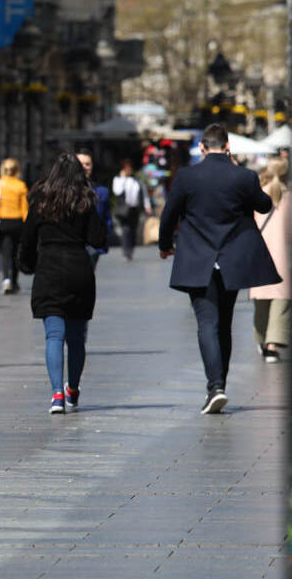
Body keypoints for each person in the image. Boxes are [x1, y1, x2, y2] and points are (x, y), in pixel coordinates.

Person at [158, 124, 281, 414]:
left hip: (197, 259)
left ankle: (215, 387)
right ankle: (219, 385)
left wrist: (165, 245)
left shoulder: (187, 177)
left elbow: (169, 214)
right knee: (224, 323)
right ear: (228, 146)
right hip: (233, 260)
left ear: (202, 147)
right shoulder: (244, 176)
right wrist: (242, 175)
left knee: (206, 323)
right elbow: (264, 206)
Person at [17, 152, 107, 414]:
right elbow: (99, 237)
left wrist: (28, 264)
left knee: (54, 335)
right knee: (77, 338)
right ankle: (73, 389)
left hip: (49, 271)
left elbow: (27, 237)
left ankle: (57, 395)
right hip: (79, 270)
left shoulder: (41, 201)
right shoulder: (85, 200)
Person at [250, 159, 290, 364]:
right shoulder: (289, 197)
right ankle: (273, 345)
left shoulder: (258, 195)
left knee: (262, 301)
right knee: (281, 302)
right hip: (284, 257)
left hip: (260, 256)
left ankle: (263, 341)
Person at [0, 158, 29, 294]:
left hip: (3, 221)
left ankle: (6, 280)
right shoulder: (21, 185)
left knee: (4, 252)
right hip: (17, 221)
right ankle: (15, 281)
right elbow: (24, 207)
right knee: (15, 253)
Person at [76, 150, 113, 268]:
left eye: (87, 164)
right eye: (80, 164)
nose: (84, 167)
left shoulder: (101, 192)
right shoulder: (65, 192)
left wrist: (104, 237)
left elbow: (106, 217)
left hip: (93, 247)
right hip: (73, 246)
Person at [112, 157, 152, 261]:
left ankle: (130, 250)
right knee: (126, 229)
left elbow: (144, 193)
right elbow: (117, 191)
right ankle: (126, 251)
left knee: (133, 229)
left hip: (135, 208)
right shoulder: (118, 179)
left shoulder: (137, 180)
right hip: (124, 209)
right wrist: (123, 178)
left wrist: (147, 206)